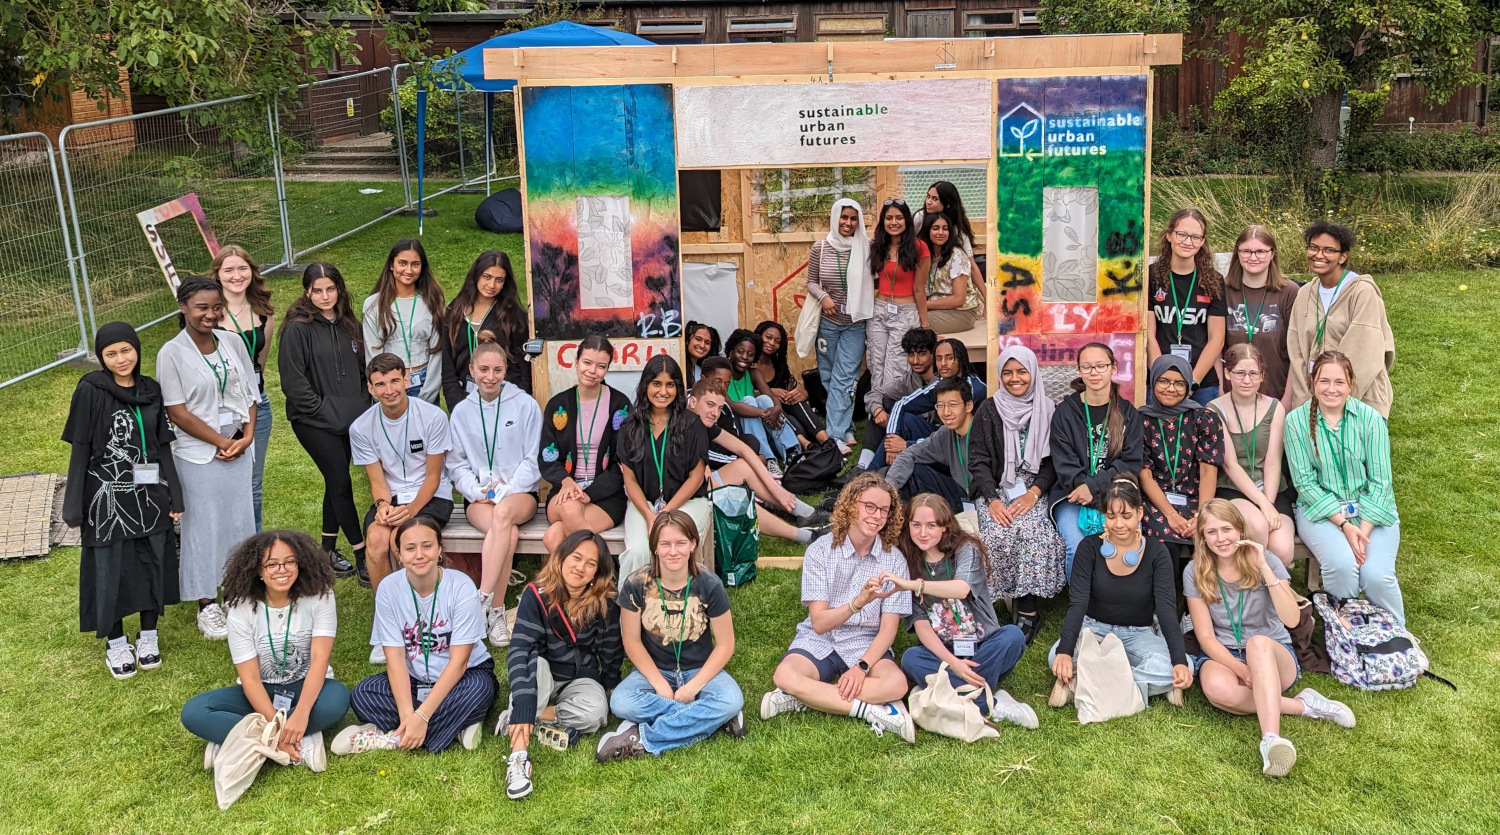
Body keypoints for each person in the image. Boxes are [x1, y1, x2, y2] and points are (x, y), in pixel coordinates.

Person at [1186, 500, 1355, 777]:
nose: (1220, 538)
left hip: (1272, 653)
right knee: (1217, 691)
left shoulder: (1269, 561)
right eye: (1212, 532)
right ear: (1203, 538)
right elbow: (1205, 637)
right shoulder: (1195, 571)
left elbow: (1290, 619)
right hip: (1225, 653)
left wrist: (1264, 568)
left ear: (1240, 530)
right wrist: (1240, 669)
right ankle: (1304, 706)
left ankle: (1270, 740)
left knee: (1257, 642)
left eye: (1226, 529)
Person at [64, 322, 183, 678]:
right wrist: (73, 503)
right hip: (106, 493)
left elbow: (162, 445)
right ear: (100, 357)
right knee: (110, 568)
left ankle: (149, 635)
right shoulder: (90, 390)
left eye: (126, 350)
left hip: (150, 491)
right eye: (111, 353)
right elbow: (81, 448)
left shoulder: (151, 390)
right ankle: (115, 641)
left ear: (137, 349)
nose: (121, 359)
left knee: (152, 561)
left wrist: (175, 492)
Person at [761, 473, 917, 744]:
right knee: (784, 674)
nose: (877, 515)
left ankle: (806, 696)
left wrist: (861, 667)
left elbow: (889, 630)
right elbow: (819, 623)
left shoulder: (894, 559)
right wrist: (858, 603)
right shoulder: (820, 551)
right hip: (820, 639)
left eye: (884, 510)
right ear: (852, 504)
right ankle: (871, 711)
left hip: (865, 642)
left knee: (897, 684)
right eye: (870, 506)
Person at [180, 531, 350, 772]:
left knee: (337, 700)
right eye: (271, 564)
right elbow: (249, 678)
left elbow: (320, 659)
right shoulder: (241, 607)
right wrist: (276, 728)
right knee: (195, 712)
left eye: (290, 561)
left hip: (307, 685)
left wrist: (301, 714)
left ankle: (237, 742)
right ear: (258, 570)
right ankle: (299, 740)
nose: (282, 570)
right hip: (261, 691)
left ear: (300, 563)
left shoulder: (320, 596)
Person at [338, 517, 496, 755]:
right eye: (410, 548)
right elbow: (395, 659)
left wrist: (422, 715)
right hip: (415, 680)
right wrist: (408, 715)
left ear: (440, 549)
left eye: (427, 546)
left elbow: (459, 663)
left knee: (481, 690)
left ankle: (393, 738)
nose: (419, 554)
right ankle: (453, 727)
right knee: (363, 694)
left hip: (463, 677)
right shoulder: (389, 589)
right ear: (399, 554)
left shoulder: (462, 587)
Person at [157, 276, 258, 640]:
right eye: (202, 308)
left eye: (217, 307)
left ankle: (238, 591)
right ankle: (206, 604)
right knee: (203, 527)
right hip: (199, 454)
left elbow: (251, 391)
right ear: (183, 307)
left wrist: (246, 437)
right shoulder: (171, 352)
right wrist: (219, 441)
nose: (210, 315)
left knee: (239, 521)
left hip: (237, 447)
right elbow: (177, 411)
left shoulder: (232, 342)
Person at [598, 512, 745, 761]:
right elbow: (631, 642)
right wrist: (660, 685)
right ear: (654, 547)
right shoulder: (635, 584)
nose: (673, 551)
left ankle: (641, 738)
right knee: (621, 702)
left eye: (680, 543)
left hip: (700, 670)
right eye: (665, 544)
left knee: (731, 698)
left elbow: (725, 644)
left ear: (693, 544)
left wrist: (694, 686)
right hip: (654, 671)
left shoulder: (710, 584)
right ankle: (714, 720)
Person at [883, 495, 1035, 729]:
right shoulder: (907, 564)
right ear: (908, 525)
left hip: (984, 648)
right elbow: (921, 624)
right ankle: (990, 701)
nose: (923, 532)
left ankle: (946, 694)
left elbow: (961, 589)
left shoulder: (966, 549)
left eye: (931, 525)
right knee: (911, 658)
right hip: (944, 654)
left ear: (944, 526)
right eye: (916, 525)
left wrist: (913, 585)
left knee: (1013, 636)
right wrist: (953, 663)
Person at [1048, 474, 1192, 708]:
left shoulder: (1157, 552)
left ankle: (1082, 683)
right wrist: (1065, 651)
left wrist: (1178, 661)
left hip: (1139, 633)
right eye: (1111, 516)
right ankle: (1139, 683)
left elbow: (1166, 609)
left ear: (1140, 514)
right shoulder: (1089, 547)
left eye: (1126, 516)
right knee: (1055, 656)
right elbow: (1078, 603)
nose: (1119, 524)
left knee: (1182, 665)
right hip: (1093, 629)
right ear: (1103, 515)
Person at [498, 530, 623, 800]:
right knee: (534, 668)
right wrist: (526, 696)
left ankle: (522, 715)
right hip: (541, 671)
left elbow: (611, 645)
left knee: (596, 713)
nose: (581, 567)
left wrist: (611, 680)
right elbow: (521, 649)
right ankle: (518, 759)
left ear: (597, 573)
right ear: (562, 557)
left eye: (591, 564)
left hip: (579, 678)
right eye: (576, 558)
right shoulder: (536, 594)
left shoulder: (606, 600)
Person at [1284, 351, 1404, 623]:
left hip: (1373, 510)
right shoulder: (1296, 422)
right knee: (1340, 566)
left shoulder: (1371, 419)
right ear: (1313, 382)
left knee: (1376, 575)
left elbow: (1381, 482)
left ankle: (1397, 637)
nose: (1331, 389)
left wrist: (1363, 530)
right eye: (1324, 381)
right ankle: (1347, 638)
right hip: (1322, 512)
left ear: (1351, 383)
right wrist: (1345, 527)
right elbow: (1305, 483)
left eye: (1339, 382)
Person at [446, 331, 541, 648]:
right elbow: (456, 463)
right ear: (471, 370)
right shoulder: (461, 412)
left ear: (505, 370)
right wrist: (476, 490)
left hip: (519, 496)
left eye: (497, 370)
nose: (490, 376)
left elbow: (533, 458)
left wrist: (509, 488)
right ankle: (496, 611)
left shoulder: (524, 404)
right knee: (506, 533)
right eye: (483, 370)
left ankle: (481, 599)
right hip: (478, 499)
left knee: (503, 516)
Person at [968, 345, 1067, 644]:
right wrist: (993, 499)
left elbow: (1054, 462)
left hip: (1036, 487)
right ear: (999, 375)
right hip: (996, 488)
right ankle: (991, 608)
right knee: (998, 531)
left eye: (1021, 371)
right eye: (1008, 373)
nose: (1015, 378)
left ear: (1033, 372)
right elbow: (978, 460)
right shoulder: (989, 409)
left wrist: (1034, 494)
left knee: (1033, 531)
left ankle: (1027, 611)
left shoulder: (1049, 409)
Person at [277, 262, 367, 579]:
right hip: (313, 421)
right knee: (341, 483)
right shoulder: (296, 328)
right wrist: (325, 410)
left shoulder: (348, 324)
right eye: (318, 290)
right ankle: (362, 554)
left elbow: (361, 371)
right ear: (307, 291)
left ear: (339, 289)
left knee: (336, 481)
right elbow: (294, 383)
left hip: (349, 418)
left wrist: (360, 406)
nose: (325, 295)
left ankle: (325, 552)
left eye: (330, 288)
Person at [349, 352, 454, 602]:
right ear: (370, 388)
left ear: (407, 380)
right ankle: (388, 613)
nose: (389, 390)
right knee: (375, 539)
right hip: (393, 498)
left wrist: (411, 509)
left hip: (432, 496)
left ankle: (422, 606)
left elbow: (433, 476)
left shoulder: (433, 417)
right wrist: (383, 506)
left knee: (402, 537)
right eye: (381, 384)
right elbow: (378, 482)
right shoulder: (361, 428)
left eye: (395, 381)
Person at [687, 377, 826, 544]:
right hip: (686, 495)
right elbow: (710, 485)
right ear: (693, 402)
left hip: (699, 484)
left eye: (719, 408)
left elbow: (743, 449)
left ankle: (807, 514)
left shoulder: (700, 417)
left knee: (743, 466)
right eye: (710, 405)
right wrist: (734, 495)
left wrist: (776, 489)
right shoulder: (687, 424)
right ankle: (806, 536)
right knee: (733, 498)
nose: (715, 413)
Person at [1048, 342, 1145, 578]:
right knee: (1076, 545)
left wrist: (1093, 488)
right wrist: (1083, 488)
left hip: (1116, 494)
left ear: (1113, 368)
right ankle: (1083, 608)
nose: (1094, 372)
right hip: (1072, 494)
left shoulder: (1127, 412)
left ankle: (1122, 601)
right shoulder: (1065, 412)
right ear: (1079, 371)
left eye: (1101, 366)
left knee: (1129, 541)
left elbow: (1130, 463)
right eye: (1087, 367)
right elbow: (1064, 463)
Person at [1284, 221, 1395, 418]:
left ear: (1342, 256)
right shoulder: (1304, 294)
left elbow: (1364, 353)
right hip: (1312, 404)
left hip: (1359, 403)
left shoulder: (1362, 292)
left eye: (1329, 250)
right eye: (1313, 247)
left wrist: (1335, 402)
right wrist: (1305, 402)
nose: (1319, 255)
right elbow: (1297, 351)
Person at [618, 355, 712, 578]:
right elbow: (629, 479)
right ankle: (630, 609)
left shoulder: (692, 424)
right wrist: (650, 516)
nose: (663, 391)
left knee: (673, 545)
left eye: (670, 384)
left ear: (678, 388)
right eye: (656, 384)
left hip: (688, 502)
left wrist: (666, 513)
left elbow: (696, 477)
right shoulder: (629, 426)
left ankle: (676, 604)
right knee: (637, 552)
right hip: (645, 504)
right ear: (645, 386)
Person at [538, 336, 632, 554]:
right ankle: (599, 576)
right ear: (576, 361)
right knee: (571, 509)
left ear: (608, 369)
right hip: (564, 492)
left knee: (554, 536)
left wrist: (591, 493)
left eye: (601, 366)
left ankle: (571, 585)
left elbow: (623, 462)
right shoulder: (558, 405)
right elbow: (547, 455)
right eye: (587, 363)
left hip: (607, 497)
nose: (592, 371)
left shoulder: (620, 405)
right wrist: (567, 481)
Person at [1207, 344, 1296, 565]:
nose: (1246, 380)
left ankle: (1265, 590)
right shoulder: (1213, 410)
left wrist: (1269, 502)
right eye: (1239, 373)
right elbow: (1230, 465)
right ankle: (1248, 589)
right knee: (1257, 526)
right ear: (1228, 373)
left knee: (1282, 549)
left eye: (1253, 373)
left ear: (1262, 375)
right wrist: (1262, 505)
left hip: (1270, 488)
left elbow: (1273, 461)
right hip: (1232, 488)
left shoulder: (1275, 408)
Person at [1138, 355, 1224, 578]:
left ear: (1188, 386)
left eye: (1179, 383)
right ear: (1153, 381)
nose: (1170, 388)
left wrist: (1202, 514)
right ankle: (1164, 603)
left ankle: (1196, 604)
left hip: (1196, 498)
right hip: (1156, 500)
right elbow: (1145, 476)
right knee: (1164, 540)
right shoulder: (1140, 420)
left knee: (1209, 534)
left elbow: (1208, 470)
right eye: (1163, 381)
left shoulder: (1204, 418)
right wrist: (1171, 515)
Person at [212, 245, 275, 529]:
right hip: (217, 409)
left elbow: (260, 363)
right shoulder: (207, 313)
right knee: (219, 480)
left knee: (254, 483)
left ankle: (254, 547)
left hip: (256, 406)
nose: (236, 276)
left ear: (251, 271)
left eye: (242, 268)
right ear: (217, 275)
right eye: (229, 270)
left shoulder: (264, 313)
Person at [805, 198, 873, 448]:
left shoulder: (867, 247)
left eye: (853, 218)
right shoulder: (821, 247)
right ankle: (846, 428)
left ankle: (834, 434)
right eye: (844, 217)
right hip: (828, 324)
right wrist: (824, 298)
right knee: (829, 376)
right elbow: (810, 282)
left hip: (855, 324)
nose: (848, 223)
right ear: (835, 218)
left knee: (846, 378)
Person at [868, 336, 988, 470]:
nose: (943, 363)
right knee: (906, 420)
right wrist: (892, 440)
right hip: (942, 438)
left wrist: (907, 445)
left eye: (949, 358)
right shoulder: (941, 384)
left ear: (961, 359)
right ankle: (867, 475)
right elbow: (901, 404)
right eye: (938, 359)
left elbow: (959, 438)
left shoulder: (976, 391)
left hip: (963, 454)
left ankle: (871, 477)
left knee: (915, 465)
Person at [1147, 208, 1225, 405]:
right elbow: (1148, 334)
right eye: (1181, 234)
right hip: (1159, 381)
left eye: (1195, 237)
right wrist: (1161, 379)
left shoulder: (1213, 281)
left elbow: (1217, 338)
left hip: (1201, 383)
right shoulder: (1151, 276)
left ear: (1202, 241)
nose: (1188, 242)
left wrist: (1192, 382)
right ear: (1169, 235)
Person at [441, 250, 532, 407]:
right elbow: (447, 364)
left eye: (499, 280)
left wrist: (520, 398)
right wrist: (455, 402)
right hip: (467, 398)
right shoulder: (454, 312)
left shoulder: (512, 314)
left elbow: (524, 364)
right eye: (487, 277)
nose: (492, 285)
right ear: (476, 275)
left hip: (506, 397)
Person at [363, 238, 446, 403]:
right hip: (389, 386)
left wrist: (428, 393)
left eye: (415, 264)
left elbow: (437, 352)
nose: (408, 270)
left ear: (422, 267)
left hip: (424, 382)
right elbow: (373, 355)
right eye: (402, 263)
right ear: (392, 265)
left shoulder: (434, 301)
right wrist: (382, 392)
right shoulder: (373, 305)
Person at [1223, 226, 1300, 399]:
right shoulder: (1224, 290)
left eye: (1260, 251)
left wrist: (1287, 400)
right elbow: (1215, 345)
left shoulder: (1289, 292)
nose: (1253, 257)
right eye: (1246, 251)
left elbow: (1296, 351)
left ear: (1272, 254)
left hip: (1276, 392)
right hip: (1232, 394)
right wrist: (1220, 391)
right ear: (1237, 253)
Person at [866, 199, 932, 398]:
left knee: (897, 366)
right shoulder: (877, 246)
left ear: (907, 221)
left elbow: (919, 289)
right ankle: (875, 413)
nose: (894, 222)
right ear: (883, 221)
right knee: (876, 363)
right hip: (879, 310)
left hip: (905, 314)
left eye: (899, 218)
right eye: (889, 218)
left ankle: (894, 413)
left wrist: (925, 324)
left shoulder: (919, 247)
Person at [885, 378, 976, 512]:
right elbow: (910, 454)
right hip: (960, 494)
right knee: (912, 471)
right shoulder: (946, 433)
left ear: (968, 406)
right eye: (940, 406)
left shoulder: (983, 431)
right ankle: (894, 520)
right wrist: (888, 491)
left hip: (986, 500)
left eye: (952, 405)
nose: (946, 412)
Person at [859, 327, 937, 470]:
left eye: (922, 354)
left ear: (933, 354)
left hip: (936, 438)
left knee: (904, 418)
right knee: (883, 404)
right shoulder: (910, 378)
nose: (915, 360)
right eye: (911, 354)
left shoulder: (943, 382)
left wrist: (895, 442)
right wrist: (878, 411)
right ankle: (863, 464)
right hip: (911, 433)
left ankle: (868, 473)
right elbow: (874, 394)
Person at [723, 328, 799, 474]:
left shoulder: (754, 373)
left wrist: (776, 408)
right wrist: (766, 413)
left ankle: (791, 452)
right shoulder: (723, 372)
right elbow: (732, 406)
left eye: (750, 354)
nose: (745, 357)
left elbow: (771, 396)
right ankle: (767, 458)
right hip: (733, 426)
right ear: (731, 351)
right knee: (749, 400)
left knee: (764, 399)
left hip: (756, 425)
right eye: (740, 352)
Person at [753, 320, 832, 450]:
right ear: (759, 336)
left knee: (796, 401)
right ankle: (808, 446)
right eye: (768, 337)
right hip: (766, 416)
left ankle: (826, 441)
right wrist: (771, 392)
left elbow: (789, 393)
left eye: (777, 342)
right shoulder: (748, 364)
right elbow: (744, 395)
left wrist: (802, 394)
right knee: (771, 402)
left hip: (786, 411)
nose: (772, 343)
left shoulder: (778, 365)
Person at [918, 212, 982, 334]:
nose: (941, 232)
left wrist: (923, 304)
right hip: (936, 309)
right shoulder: (926, 257)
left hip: (961, 312)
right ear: (927, 231)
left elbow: (958, 299)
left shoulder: (957, 256)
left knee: (914, 321)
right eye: (935, 228)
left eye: (945, 229)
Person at [912, 181, 979, 275]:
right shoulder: (919, 217)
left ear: (947, 204)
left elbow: (972, 266)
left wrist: (985, 290)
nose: (928, 202)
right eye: (928, 196)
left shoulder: (956, 227)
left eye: (935, 199)